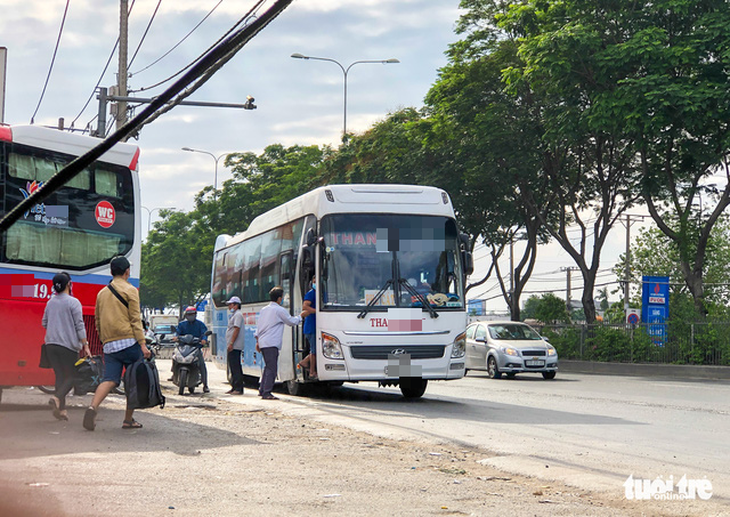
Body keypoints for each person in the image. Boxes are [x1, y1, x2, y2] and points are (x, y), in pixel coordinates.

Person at [83, 256, 151, 431]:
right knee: (132, 381)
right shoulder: (130, 290)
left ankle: (92, 407)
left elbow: (97, 321)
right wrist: (142, 344)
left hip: (109, 345)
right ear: (127, 271)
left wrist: (104, 340)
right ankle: (128, 420)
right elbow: (135, 320)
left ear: (112, 272)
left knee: (110, 379)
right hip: (129, 342)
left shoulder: (101, 293)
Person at [41, 272, 91, 421]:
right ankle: (57, 398)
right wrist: (85, 345)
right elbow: (79, 325)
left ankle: (61, 410)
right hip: (67, 346)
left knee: (60, 376)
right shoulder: (73, 302)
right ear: (69, 284)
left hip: (51, 345)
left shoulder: (50, 302)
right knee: (73, 376)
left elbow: (44, 322)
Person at [255, 286, 307, 400]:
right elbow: (291, 321)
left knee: (268, 367)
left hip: (263, 342)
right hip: (271, 343)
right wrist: (301, 316)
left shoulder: (264, 310)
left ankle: (262, 389)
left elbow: (258, 327)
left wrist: (257, 341)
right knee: (272, 368)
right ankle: (266, 392)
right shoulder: (279, 310)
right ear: (279, 299)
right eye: (282, 297)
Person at [175, 306, 210, 393]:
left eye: (192, 314)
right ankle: (174, 374)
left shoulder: (200, 324)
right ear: (186, 315)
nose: (190, 316)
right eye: (189, 314)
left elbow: (204, 333)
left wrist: (204, 339)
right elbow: (177, 332)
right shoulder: (182, 325)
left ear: (195, 315)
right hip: (183, 347)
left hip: (195, 347)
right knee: (175, 358)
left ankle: (205, 385)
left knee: (201, 364)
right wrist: (175, 337)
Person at [297, 276, 317, 378]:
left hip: (315, 326)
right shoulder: (311, 293)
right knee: (314, 350)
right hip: (311, 327)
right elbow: (305, 306)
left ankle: (304, 362)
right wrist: (317, 311)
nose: (315, 283)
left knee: (316, 350)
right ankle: (312, 372)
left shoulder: (321, 293)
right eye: (314, 281)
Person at [225, 296, 245, 395]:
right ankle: (233, 386)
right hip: (231, 345)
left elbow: (236, 329)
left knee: (236, 366)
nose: (229, 306)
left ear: (236, 305)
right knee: (232, 366)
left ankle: (238, 388)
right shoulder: (234, 315)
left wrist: (231, 343)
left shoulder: (238, 315)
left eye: (231, 304)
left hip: (235, 345)